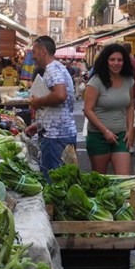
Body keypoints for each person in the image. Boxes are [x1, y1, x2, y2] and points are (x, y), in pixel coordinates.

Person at [27, 35, 77, 180]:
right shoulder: (59, 67)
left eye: (34, 52)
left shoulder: (52, 69)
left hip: (55, 137)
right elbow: (59, 108)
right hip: (61, 132)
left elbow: (60, 95)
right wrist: (38, 125)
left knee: (54, 183)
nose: (33, 57)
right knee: (65, 181)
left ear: (43, 51)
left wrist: (38, 102)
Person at [83, 43, 135, 175]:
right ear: (106, 61)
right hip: (98, 136)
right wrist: (105, 131)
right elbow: (88, 110)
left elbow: (130, 106)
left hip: (121, 135)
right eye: (112, 60)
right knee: (101, 181)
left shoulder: (128, 80)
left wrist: (130, 130)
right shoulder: (96, 81)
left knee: (124, 179)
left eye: (120, 60)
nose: (116, 63)